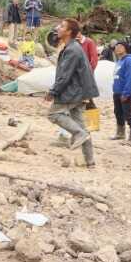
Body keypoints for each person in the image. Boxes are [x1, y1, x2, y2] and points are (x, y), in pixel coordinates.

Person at [44, 18, 99, 168]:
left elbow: (65, 75)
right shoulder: (72, 47)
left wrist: (53, 91)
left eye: (61, 26)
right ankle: (90, 161)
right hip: (81, 91)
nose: (58, 28)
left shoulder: (72, 50)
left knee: (53, 114)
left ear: (69, 32)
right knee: (81, 124)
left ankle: (79, 134)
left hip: (74, 91)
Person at [111, 40, 131, 144]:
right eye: (116, 46)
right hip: (117, 91)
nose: (117, 48)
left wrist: (126, 93)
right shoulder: (119, 61)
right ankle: (120, 133)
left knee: (129, 114)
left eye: (120, 46)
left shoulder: (129, 60)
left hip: (127, 92)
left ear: (126, 48)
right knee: (118, 113)